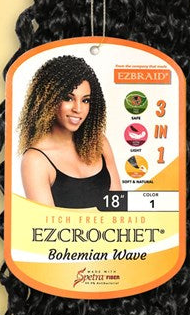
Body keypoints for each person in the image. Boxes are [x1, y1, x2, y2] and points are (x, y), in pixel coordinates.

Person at [18, 55, 121, 208]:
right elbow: (44, 222)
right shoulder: (36, 160)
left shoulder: (98, 142)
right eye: (68, 98)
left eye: (85, 100)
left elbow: (119, 209)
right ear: (48, 100)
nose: (78, 109)